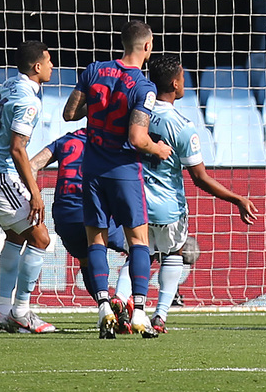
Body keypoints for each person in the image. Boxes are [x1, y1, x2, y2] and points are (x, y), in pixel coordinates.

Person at [109, 54, 256, 333]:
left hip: (135, 200)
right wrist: (237, 198)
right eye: (184, 78)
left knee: (137, 254)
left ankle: (120, 298)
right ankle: (160, 315)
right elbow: (199, 178)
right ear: (175, 84)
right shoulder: (183, 126)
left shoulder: (135, 114)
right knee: (173, 252)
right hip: (168, 207)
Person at [62, 20, 173, 339]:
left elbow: (70, 114)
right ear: (148, 48)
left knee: (94, 239)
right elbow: (138, 138)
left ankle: (103, 309)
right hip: (124, 170)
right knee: (138, 241)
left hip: (92, 167)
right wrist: (159, 149)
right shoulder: (144, 87)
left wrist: (100, 103)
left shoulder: (94, 70)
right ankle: (139, 312)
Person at [0, 41, 56, 333]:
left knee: (15, 235)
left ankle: (3, 312)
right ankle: (21, 311)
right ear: (37, 67)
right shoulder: (28, 100)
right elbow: (17, 149)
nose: (51, 66)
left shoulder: (10, 85)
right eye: (48, 62)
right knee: (41, 237)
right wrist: (35, 192)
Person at [28, 129, 128, 308]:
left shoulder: (65, 140)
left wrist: (34, 195)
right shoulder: (112, 139)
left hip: (64, 216)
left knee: (86, 260)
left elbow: (32, 165)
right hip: (94, 210)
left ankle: (105, 308)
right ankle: (121, 297)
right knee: (140, 247)